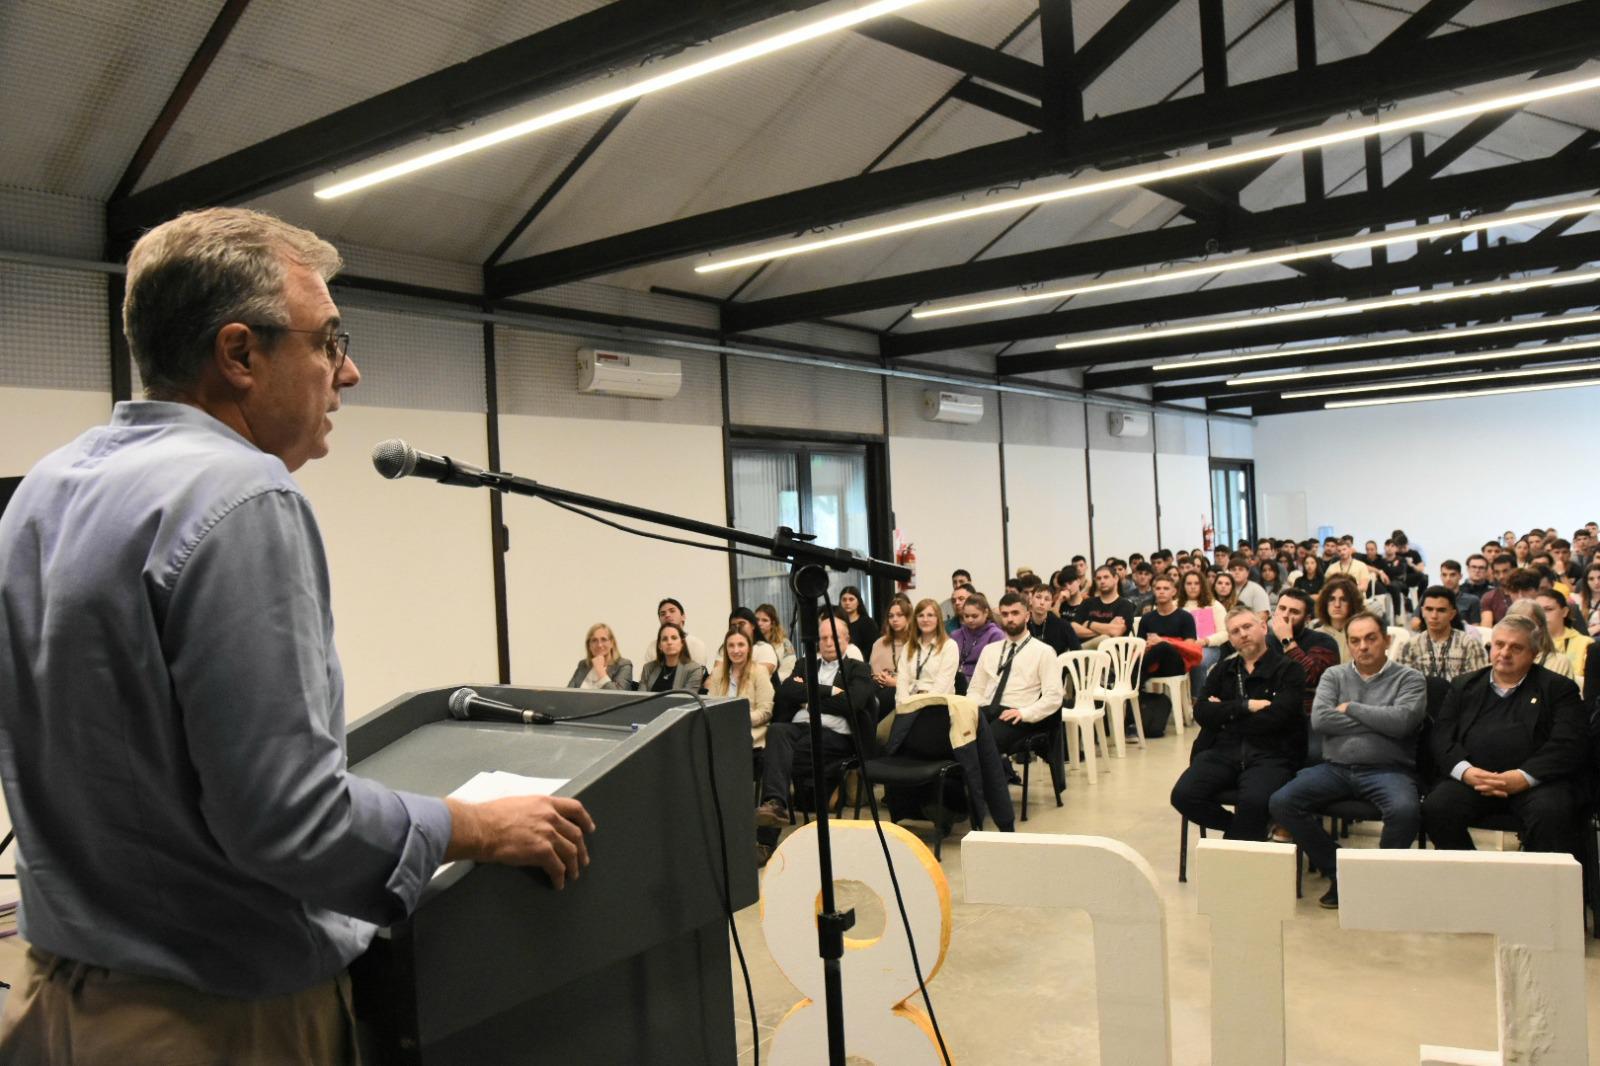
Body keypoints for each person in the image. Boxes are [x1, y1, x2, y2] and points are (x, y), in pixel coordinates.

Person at [0, 207, 594, 1062]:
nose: (347, 372)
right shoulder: (242, 498)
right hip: (206, 1022)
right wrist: (477, 827)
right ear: (239, 355)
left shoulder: (46, 489)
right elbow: (291, 821)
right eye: (328, 340)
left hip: (60, 998)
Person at [1269, 612, 1427, 908]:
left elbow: (1403, 722)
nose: (1362, 647)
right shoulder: (1334, 675)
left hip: (1388, 770)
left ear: (1387, 640)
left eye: (1370, 639)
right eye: (1355, 641)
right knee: (1282, 801)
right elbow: (1321, 720)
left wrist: (1351, 708)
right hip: (1335, 768)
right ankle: (1340, 872)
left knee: (1406, 811)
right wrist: (1381, 718)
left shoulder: (1410, 679)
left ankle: (1376, 880)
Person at [1424, 613, 1589, 854]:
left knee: (1552, 813)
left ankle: (1533, 883)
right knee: (1437, 807)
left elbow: (1568, 744)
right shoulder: (1464, 686)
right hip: (1474, 780)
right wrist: (1466, 772)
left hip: (1536, 784)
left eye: (1516, 647)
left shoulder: (1558, 689)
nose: (1504, 653)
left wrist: (1523, 777)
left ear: (1534, 654)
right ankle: (1471, 875)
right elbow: (1441, 737)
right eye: (1499, 645)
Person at [1170, 607, 1307, 841]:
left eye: (1247, 627)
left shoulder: (1289, 670)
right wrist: (1244, 707)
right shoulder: (1223, 669)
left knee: (1254, 803)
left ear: (1263, 628)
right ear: (1230, 639)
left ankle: (1237, 847)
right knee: (1183, 795)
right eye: (1235, 631)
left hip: (1270, 754)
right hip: (1223, 751)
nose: (1242, 634)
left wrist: (1223, 714)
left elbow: (1278, 718)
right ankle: (1242, 830)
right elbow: (1201, 711)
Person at [753, 611, 876, 864]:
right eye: (823, 638)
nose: (828, 642)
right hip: (798, 733)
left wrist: (808, 701)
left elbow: (852, 704)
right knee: (776, 731)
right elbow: (787, 691)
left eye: (834, 637)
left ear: (846, 639)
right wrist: (830, 691)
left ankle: (765, 839)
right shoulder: (804, 663)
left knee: (772, 759)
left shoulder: (858, 669)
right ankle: (776, 802)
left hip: (835, 738)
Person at [969, 593, 1065, 761]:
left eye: (1015, 613)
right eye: (1005, 614)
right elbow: (976, 689)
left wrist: (1024, 713)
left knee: (984, 744)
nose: (1010, 619)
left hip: (1018, 714)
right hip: (987, 710)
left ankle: (990, 786)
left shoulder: (1043, 651)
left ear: (1027, 616)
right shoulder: (990, 650)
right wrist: (974, 711)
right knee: (955, 738)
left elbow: (1054, 697)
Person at [1267, 589, 1340, 719]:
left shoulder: (1323, 641)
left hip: (1306, 716)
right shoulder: (1265, 641)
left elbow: (1311, 679)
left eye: (1294, 612)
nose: (1285, 615)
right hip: (1268, 712)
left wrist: (1287, 641)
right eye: (1282, 608)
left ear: (1307, 618)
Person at [1397, 587, 1489, 683]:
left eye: (1441, 610)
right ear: (1422, 612)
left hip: (1460, 697)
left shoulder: (1470, 644)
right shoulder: (1409, 646)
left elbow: (1478, 686)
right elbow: (1401, 684)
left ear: (1452, 614)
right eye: (1429, 609)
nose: (1434, 616)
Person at [706, 627, 776, 753]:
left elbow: (765, 711)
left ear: (749, 648)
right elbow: (711, 709)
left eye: (741, 645)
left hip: (751, 736)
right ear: (726, 650)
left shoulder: (760, 671)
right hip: (721, 735)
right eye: (731, 646)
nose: (736, 650)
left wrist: (738, 720)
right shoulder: (717, 673)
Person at [1136, 575, 1198, 682]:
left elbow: (1190, 647)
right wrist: (1147, 645)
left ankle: (1130, 676)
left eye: (1166, 588)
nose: (1161, 592)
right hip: (1152, 664)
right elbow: (1139, 645)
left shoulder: (1185, 617)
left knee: (1163, 646)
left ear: (1173, 592)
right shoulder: (1146, 618)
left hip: (1176, 664)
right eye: (1158, 588)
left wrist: (1164, 641)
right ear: (1154, 591)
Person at [897, 600, 960, 703]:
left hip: (937, 705)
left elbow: (942, 686)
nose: (925, 619)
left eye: (930, 615)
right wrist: (902, 705)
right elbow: (902, 681)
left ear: (938, 619)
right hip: (909, 702)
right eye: (921, 615)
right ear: (915, 619)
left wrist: (921, 705)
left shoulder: (949, 646)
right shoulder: (908, 646)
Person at [1072, 565, 1135, 649]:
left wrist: (1089, 624)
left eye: (1106, 577)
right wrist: (1108, 627)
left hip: (1113, 653)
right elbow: (1073, 628)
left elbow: (1116, 631)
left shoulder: (1125, 605)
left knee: (1105, 640)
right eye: (1098, 578)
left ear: (1115, 578)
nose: (1102, 581)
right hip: (1086, 651)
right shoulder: (1088, 602)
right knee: (1104, 638)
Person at [1536, 588, 1593, 677]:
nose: (1542, 615)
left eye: (1548, 609)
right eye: (1538, 611)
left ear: (1564, 612)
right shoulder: (1528, 644)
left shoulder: (1586, 644)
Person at [638, 622, 707, 693]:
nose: (669, 642)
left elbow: (687, 700)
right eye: (665, 639)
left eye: (674, 638)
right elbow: (640, 698)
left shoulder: (694, 669)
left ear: (682, 643)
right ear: (660, 646)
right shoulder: (648, 668)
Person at [869, 595, 914, 699]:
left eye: (899, 615)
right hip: (880, 690)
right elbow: (873, 675)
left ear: (908, 617)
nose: (894, 619)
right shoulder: (879, 643)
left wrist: (895, 682)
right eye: (891, 616)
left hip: (909, 693)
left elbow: (920, 679)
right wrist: (881, 678)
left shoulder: (916, 643)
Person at [1312, 576, 1364, 663]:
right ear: (1325, 603)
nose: (1337, 605)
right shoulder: (1316, 635)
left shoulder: (1362, 634)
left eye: (1343, 599)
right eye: (1332, 599)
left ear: (1352, 603)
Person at [568, 623, 634, 689]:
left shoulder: (623, 665)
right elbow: (569, 693)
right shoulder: (583, 664)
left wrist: (600, 671)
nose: (599, 645)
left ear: (612, 643)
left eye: (604, 639)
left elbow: (619, 696)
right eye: (594, 640)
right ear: (589, 645)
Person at [644, 598, 708, 667]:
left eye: (672, 611)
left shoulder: (696, 644)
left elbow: (697, 675)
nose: (667, 615)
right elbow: (648, 675)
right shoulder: (653, 646)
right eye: (663, 614)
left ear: (683, 617)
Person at [1026, 581, 1078, 654]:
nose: (1042, 602)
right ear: (1031, 600)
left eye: (1047, 599)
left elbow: (1077, 651)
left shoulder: (1063, 626)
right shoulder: (1023, 624)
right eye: (1038, 597)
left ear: (1051, 604)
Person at [1435, 559, 1488, 631]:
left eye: (1452, 575)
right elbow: (1415, 622)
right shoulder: (1431, 597)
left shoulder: (1472, 600)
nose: (1448, 579)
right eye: (1444, 575)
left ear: (1460, 576)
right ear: (1441, 576)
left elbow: (1476, 627)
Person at [754, 603, 797, 678]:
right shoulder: (749, 643)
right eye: (757, 620)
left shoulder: (785, 644)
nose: (759, 623)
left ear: (772, 623)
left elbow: (789, 670)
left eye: (765, 620)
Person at [839, 586, 877, 653]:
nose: (847, 603)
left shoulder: (868, 623)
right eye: (844, 600)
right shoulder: (836, 623)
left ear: (858, 602)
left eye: (851, 599)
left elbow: (873, 648)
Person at [1574, 564, 1600, 638]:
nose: (1596, 582)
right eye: (1591, 579)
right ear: (1586, 582)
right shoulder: (1578, 599)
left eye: (1599, 578)